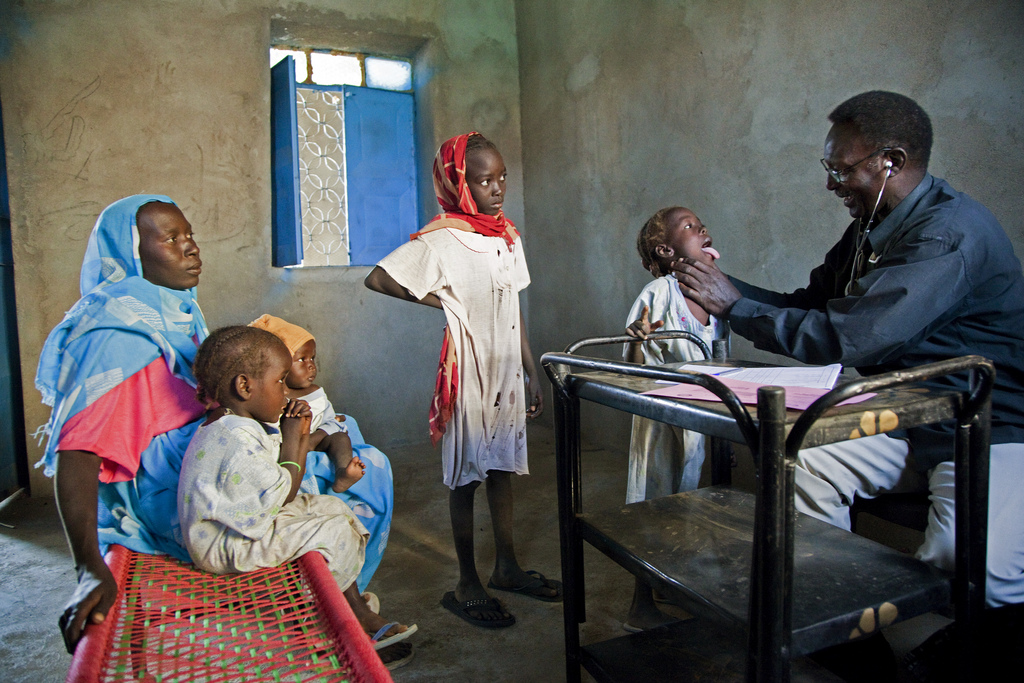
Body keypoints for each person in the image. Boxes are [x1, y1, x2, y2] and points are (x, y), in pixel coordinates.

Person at [673, 91, 1024, 674]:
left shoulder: (950, 233)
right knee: (800, 466)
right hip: (914, 411)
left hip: (992, 421)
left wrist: (732, 307)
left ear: (891, 159)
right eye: (828, 168)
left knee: (970, 561)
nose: (833, 183)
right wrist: (715, 284)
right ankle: (851, 645)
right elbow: (808, 305)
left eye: (842, 169)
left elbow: (853, 336)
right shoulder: (872, 227)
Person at [364, 132, 558, 628]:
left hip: (506, 369)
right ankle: (466, 582)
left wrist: (530, 369)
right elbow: (380, 278)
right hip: (470, 371)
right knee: (466, 475)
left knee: (501, 468)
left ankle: (507, 567)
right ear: (459, 183)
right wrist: (447, 302)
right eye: (483, 180)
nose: (496, 188)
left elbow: (511, 307)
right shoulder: (443, 238)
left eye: (501, 177)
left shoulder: (507, 235)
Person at [177, 326, 415, 668]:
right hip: (225, 545)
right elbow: (283, 491)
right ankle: (336, 625)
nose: (285, 395)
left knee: (331, 507)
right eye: (279, 383)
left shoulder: (232, 422)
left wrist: (299, 434)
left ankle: (351, 609)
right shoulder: (235, 442)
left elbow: (274, 482)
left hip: (236, 528)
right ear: (244, 387)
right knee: (331, 529)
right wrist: (293, 439)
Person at [35, 196, 209, 653]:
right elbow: (78, 449)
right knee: (342, 473)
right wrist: (88, 566)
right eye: (171, 238)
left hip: (198, 463)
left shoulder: (175, 311)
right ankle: (351, 620)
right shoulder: (116, 334)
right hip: (162, 494)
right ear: (132, 253)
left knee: (333, 439)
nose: (190, 248)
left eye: (189, 235)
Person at [622, 206, 727, 631]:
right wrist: (637, 341)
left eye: (702, 223)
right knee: (654, 509)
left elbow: (723, 364)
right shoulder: (659, 295)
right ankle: (639, 603)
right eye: (689, 226)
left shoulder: (716, 296)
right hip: (662, 425)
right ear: (666, 250)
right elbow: (631, 363)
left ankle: (671, 583)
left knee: (692, 511)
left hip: (702, 424)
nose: (702, 228)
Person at [249, 313, 395, 592]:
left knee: (340, 435)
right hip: (292, 444)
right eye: (301, 360)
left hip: (317, 437)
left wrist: (318, 435)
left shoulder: (315, 392)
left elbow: (328, 419)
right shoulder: (271, 397)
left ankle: (343, 473)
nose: (311, 366)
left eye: (313, 358)